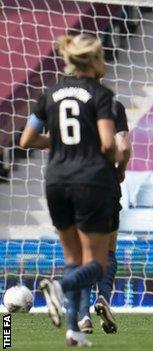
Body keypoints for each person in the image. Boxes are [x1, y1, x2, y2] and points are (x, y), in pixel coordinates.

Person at [20, 34, 117, 347]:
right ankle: (61, 289)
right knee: (95, 264)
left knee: (73, 258)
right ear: (91, 62)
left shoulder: (49, 93)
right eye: (102, 57)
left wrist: (58, 141)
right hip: (90, 180)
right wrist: (117, 156)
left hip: (56, 181)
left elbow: (26, 140)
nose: (105, 62)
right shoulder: (101, 95)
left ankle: (73, 329)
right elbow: (106, 143)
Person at [77, 100, 130, 335]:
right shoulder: (113, 106)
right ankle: (103, 297)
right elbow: (124, 147)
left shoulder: (62, 105)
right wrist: (121, 167)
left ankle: (83, 316)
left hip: (76, 183)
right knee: (108, 248)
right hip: (106, 183)